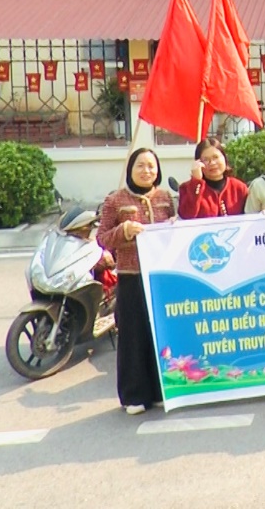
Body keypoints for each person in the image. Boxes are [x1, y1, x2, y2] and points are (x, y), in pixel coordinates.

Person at [97, 148, 175, 415]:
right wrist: (124, 231)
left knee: (159, 334)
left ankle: (160, 391)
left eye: (151, 166)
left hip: (160, 277)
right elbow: (102, 238)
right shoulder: (115, 200)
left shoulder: (165, 198)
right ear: (130, 168)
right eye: (140, 165)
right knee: (133, 336)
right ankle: (134, 396)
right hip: (131, 277)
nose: (146, 171)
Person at [177, 137, 248, 219]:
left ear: (224, 158)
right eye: (206, 160)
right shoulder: (187, 188)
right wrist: (196, 182)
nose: (212, 163)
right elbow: (186, 215)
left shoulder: (239, 188)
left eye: (216, 157)